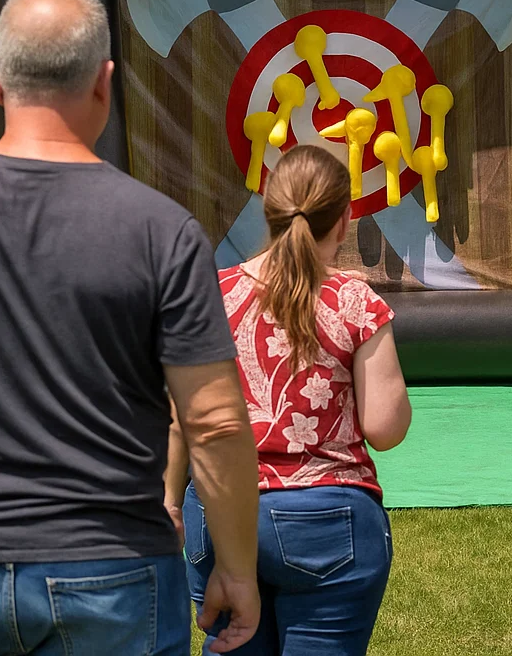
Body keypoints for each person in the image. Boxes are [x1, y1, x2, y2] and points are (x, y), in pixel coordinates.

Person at [0, 0, 261, 655]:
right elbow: (214, 424)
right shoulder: (162, 232)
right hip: (113, 568)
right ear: (105, 81)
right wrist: (237, 570)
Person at [169, 144, 412, 656]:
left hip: (217, 513)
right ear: (344, 220)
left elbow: (177, 415)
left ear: (269, 209)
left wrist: (169, 502)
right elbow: (386, 428)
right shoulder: (356, 303)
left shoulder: (211, 293)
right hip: (327, 521)